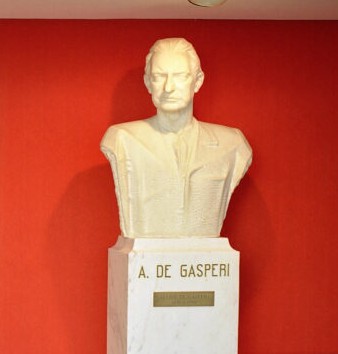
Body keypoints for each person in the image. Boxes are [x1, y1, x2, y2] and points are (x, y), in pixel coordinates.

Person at [100, 37, 252, 238]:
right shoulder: (123, 139)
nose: (169, 87)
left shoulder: (231, 144)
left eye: (180, 76)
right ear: (148, 83)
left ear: (197, 82)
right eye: (159, 77)